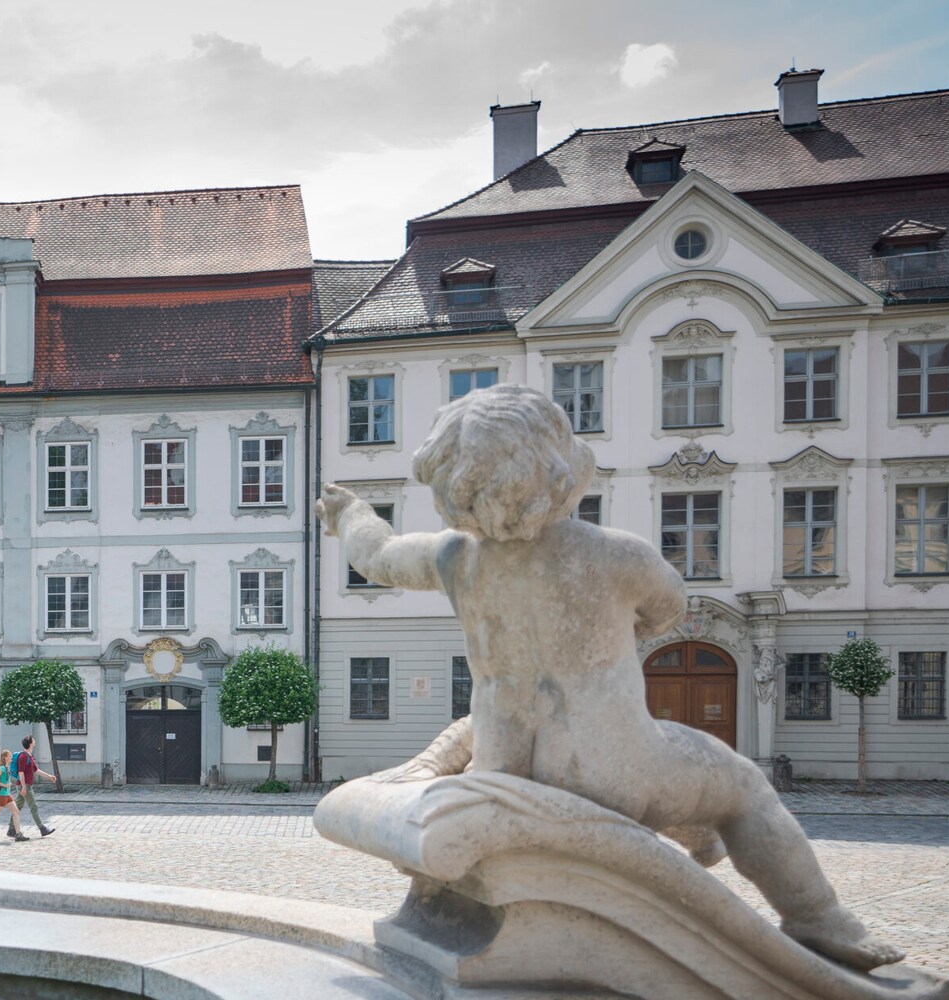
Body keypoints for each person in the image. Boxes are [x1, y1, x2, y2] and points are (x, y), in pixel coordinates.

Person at [316, 383, 901, 970]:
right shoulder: (617, 555)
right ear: (556, 467)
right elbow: (667, 611)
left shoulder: (451, 558)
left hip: (507, 763)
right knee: (741, 786)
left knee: (500, 719)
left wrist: (349, 514)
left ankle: (693, 834)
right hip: (609, 763)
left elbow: (378, 555)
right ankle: (820, 919)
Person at [14, 734, 57, 836]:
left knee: (16, 808)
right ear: (30, 744)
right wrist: (24, 787)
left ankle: (11, 829)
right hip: (25, 786)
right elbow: (21, 772)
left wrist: (49, 776)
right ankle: (42, 828)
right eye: (33, 740)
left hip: (24, 785)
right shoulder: (23, 757)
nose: (34, 741)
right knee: (34, 806)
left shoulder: (29, 756)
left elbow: (36, 770)